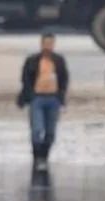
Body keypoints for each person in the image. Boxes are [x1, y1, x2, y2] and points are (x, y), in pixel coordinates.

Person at [17, 33, 69, 168]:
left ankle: (44, 156)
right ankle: (37, 156)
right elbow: (25, 79)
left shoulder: (58, 60)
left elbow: (64, 79)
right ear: (41, 44)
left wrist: (61, 96)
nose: (48, 46)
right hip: (37, 98)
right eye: (46, 43)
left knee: (50, 132)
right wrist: (29, 95)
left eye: (50, 44)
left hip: (53, 99)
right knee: (37, 129)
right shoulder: (33, 60)